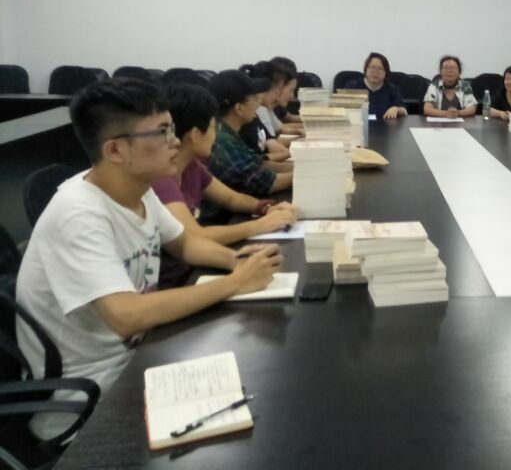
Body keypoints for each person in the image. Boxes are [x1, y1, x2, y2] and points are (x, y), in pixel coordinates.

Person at [15, 79, 282, 440]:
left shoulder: (139, 189)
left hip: (142, 358)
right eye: (161, 132)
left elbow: (186, 244)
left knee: (263, 377)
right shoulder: (78, 214)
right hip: (90, 399)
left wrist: (238, 261)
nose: (176, 141)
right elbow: (128, 316)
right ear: (115, 150)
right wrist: (234, 283)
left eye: (171, 128)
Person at [154, 84, 299, 288]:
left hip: (197, 265)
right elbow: (193, 236)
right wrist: (259, 225)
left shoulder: (192, 166)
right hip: (177, 281)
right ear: (195, 134)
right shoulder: (161, 178)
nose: (217, 135)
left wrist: (265, 208)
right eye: (214, 128)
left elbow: (231, 198)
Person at [208, 70, 293, 197]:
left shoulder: (226, 131)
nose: (258, 105)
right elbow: (267, 183)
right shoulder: (224, 141)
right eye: (255, 99)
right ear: (239, 108)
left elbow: (258, 163)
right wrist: (310, 174)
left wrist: (301, 168)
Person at [346, 52, 406, 120]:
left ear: (386, 72)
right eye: (372, 67)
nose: (375, 72)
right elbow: (343, 108)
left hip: (384, 125)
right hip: (359, 124)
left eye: (380, 68)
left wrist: (396, 109)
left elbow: (403, 110)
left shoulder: (392, 89)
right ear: (366, 69)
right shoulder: (353, 87)